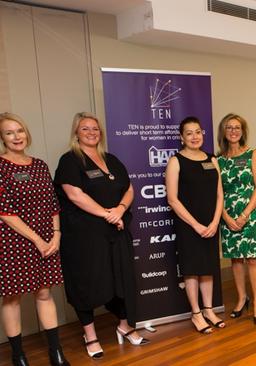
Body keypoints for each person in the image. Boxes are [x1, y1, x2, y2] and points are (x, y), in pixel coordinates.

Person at [54, 112, 148, 359]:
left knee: (122, 280)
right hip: (85, 238)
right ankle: (90, 335)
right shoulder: (70, 161)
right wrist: (107, 214)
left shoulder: (111, 159)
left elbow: (129, 188)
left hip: (115, 232)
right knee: (88, 284)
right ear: (76, 132)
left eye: (95, 128)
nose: (91, 132)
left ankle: (124, 326)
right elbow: (75, 195)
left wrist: (119, 210)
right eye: (85, 129)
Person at [0, 113, 69, 366]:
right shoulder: (0, 166)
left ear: (26, 133)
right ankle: (18, 355)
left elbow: (52, 203)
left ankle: (56, 352)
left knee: (43, 292)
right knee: (12, 297)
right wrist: (37, 240)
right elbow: (4, 211)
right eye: (9, 132)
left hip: (48, 238)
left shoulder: (39, 164)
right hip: (13, 241)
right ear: (2, 138)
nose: (16, 136)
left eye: (20, 131)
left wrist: (56, 235)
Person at [166, 116, 225, 334]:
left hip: (211, 223)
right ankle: (196, 314)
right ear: (182, 137)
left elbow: (220, 194)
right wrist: (196, 225)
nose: (194, 136)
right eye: (189, 133)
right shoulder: (176, 161)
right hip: (188, 226)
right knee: (191, 270)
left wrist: (215, 220)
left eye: (198, 132)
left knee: (207, 268)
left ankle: (209, 310)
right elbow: (172, 199)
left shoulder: (212, 159)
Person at [216, 113, 256, 325]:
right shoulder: (218, 160)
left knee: (253, 259)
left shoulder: (252, 154)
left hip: (252, 214)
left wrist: (245, 214)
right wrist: (227, 217)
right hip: (227, 216)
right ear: (223, 132)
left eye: (237, 127)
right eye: (229, 127)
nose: (233, 131)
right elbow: (216, 192)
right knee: (236, 260)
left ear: (243, 131)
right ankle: (241, 299)